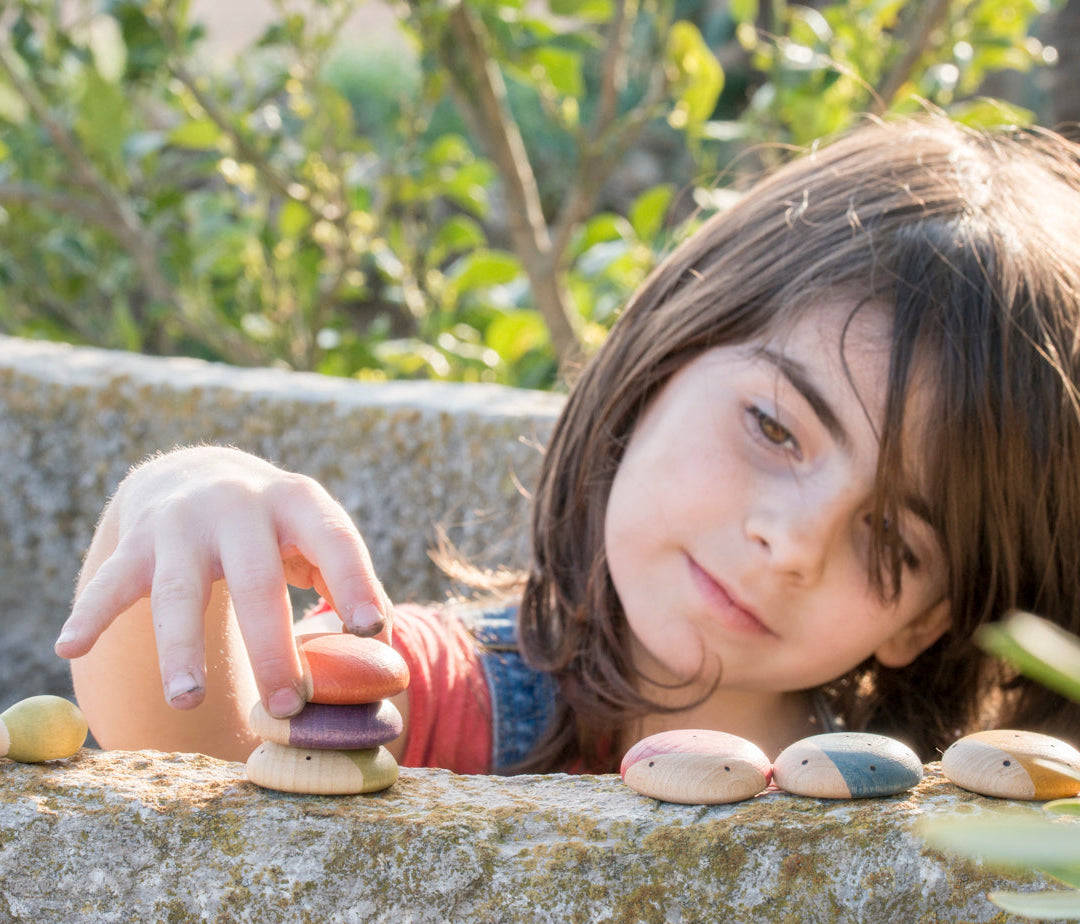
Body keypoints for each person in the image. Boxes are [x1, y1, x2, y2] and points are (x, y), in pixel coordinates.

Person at [56, 116, 1080, 774]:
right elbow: (184, 742)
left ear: (925, 620)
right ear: (655, 371)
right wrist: (192, 494)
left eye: (892, 544)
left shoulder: (955, 794)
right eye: (774, 426)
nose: (795, 541)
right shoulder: (440, 700)